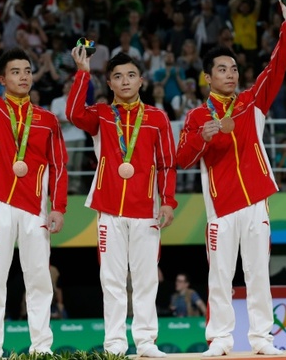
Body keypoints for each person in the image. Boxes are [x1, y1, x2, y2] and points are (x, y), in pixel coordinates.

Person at [175, 0, 286, 357]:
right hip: (221, 209)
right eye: (221, 69)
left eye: (233, 69)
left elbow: (276, 67)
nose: (230, 74)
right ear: (207, 77)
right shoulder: (197, 117)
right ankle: (220, 340)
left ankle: (262, 339)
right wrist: (205, 136)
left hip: (256, 203)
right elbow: (181, 159)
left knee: (259, 274)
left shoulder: (252, 102)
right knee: (220, 277)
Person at [0, 0, 68, 356]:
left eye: (27, 71)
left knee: (39, 278)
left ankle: (42, 346)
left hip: (35, 208)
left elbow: (58, 166)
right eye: (15, 71)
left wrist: (58, 208)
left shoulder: (47, 119)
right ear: (1, 79)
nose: (23, 76)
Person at [66, 48, 178, 357]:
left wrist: (168, 201)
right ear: (110, 83)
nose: (125, 81)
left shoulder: (157, 118)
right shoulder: (102, 114)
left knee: (144, 280)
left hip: (147, 210)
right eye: (117, 76)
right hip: (109, 209)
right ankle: (115, 344)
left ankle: (145, 342)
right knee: (111, 280)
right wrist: (82, 73)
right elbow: (74, 114)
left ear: (141, 80)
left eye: (130, 75)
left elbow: (167, 163)